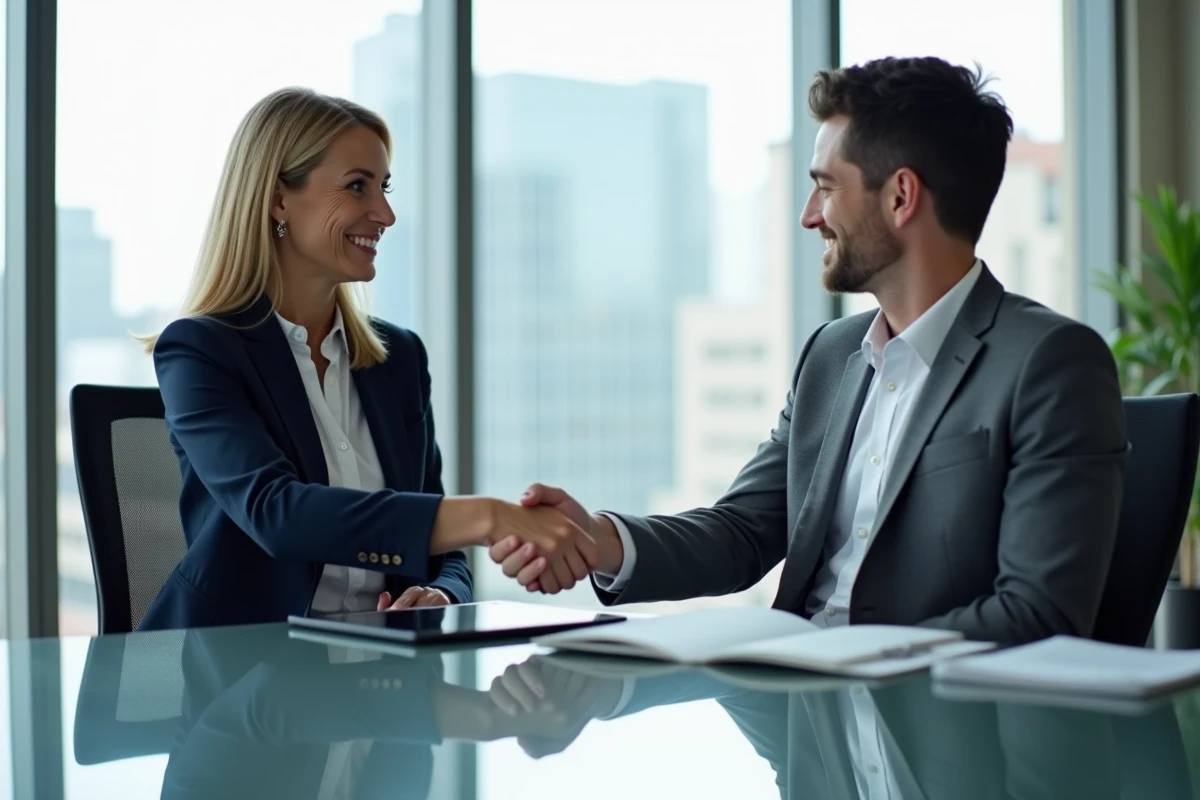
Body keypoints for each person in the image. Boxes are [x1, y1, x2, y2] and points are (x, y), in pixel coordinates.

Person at [490, 57, 1128, 645]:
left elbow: (1038, 613)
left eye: (826, 187)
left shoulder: (1049, 362)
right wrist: (599, 541)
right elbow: (744, 531)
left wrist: (840, 657)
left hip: (932, 733)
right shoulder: (833, 353)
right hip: (799, 723)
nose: (808, 215)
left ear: (901, 197)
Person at [138, 88, 599, 631]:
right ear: (278, 199)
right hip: (241, 680)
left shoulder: (397, 358)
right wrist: (490, 516)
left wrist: (440, 594)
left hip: (383, 674)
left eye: (384, 187)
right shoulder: (200, 350)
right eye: (358, 186)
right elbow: (277, 513)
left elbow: (441, 548)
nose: (385, 213)